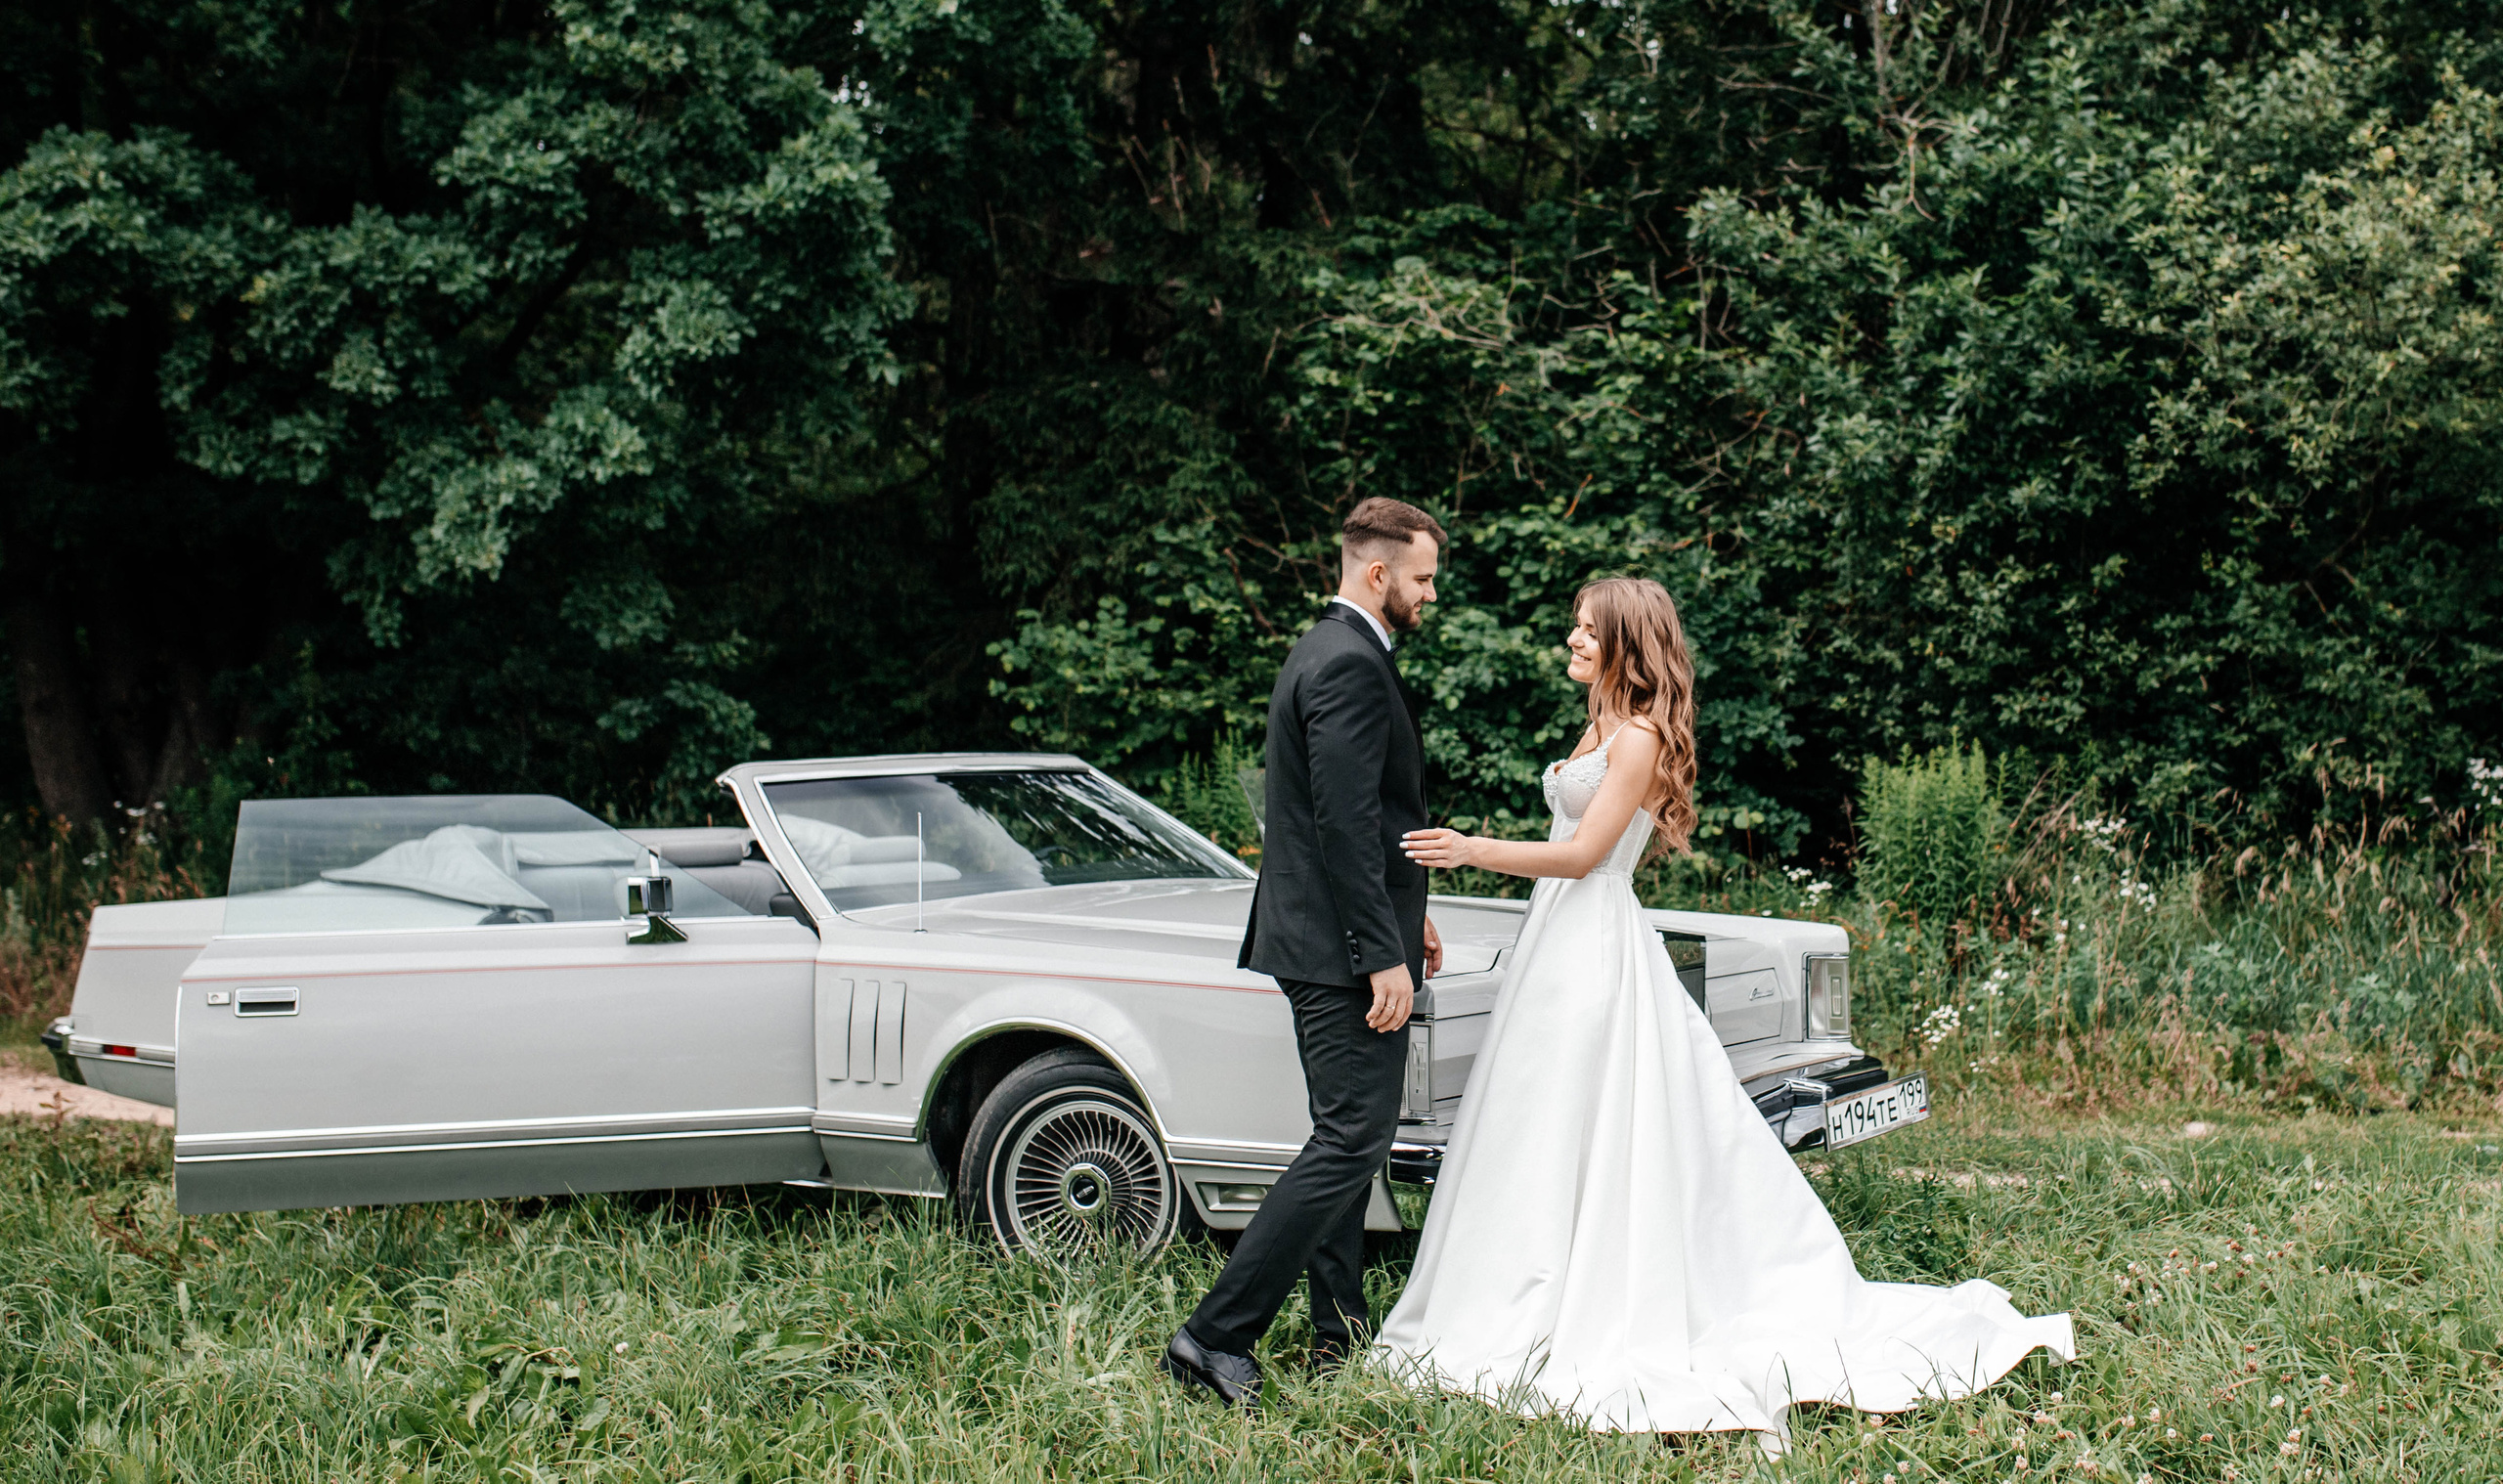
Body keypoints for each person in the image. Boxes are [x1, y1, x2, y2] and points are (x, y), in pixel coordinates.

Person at [1379, 576, 2073, 1445]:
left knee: (1590, 1109)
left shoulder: (1635, 737)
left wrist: (1469, 850)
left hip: (1593, 940)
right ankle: (1522, 1274)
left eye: (1587, 632)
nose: (1572, 641)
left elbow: (1589, 854)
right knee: (1539, 1116)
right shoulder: (1596, 723)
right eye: (1575, 629)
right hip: (1552, 944)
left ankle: (1595, 1283)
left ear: (1627, 644)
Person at [1164, 496, 1449, 1411]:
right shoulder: (1348, 664)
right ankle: (1214, 1335)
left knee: (1343, 1135)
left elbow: (1370, 816)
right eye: (1421, 578)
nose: (1429, 594)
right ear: (1377, 573)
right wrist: (1382, 953)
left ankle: (1341, 1331)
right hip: (1337, 951)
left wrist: (1416, 918)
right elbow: (1341, 825)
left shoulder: (1328, 648)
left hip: (1338, 936)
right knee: (1350, 1137)